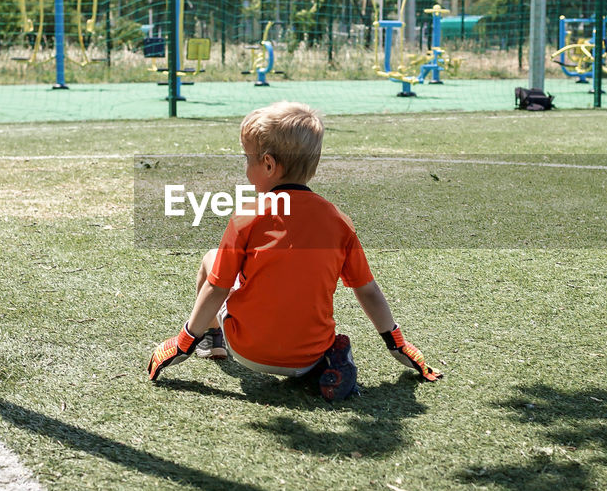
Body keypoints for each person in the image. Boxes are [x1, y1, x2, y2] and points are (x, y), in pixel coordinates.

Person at [147, 101, 442, 400]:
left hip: (248, 351)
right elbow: (368, 290)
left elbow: (216, 287)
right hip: (308, 357)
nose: (246, 169)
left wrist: (183, 342)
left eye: (247, 159)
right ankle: (328, 360)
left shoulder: (247, 217)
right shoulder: (339, 221)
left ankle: (211, 340)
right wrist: (397, 343)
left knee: (212, 260)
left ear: (269, 164)